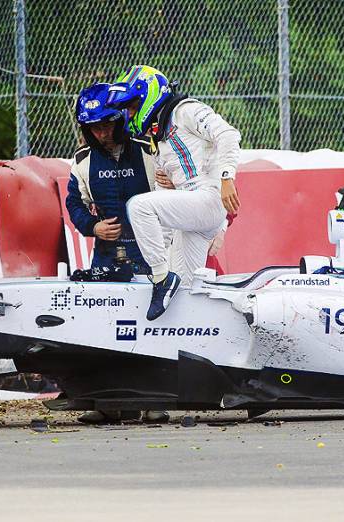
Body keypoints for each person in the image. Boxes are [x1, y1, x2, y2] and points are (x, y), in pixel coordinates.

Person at [66, 83, 168, 425]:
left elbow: (172, 194)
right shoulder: (81, 161)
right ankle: (107, 404)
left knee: (156, 324)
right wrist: (92, 228)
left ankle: (155, 401)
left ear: (120, 120)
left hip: (150, 251)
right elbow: (73, 204)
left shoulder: (148, 150)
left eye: (107, 124)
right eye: (94, 127)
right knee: (103, 324)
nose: (102, 132)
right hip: (107, 254)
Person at [105, 65, 241, 320]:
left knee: (139, 206)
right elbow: (163, 196)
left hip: (208, 199)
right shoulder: (156, 137)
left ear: (148, 96)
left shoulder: (185, 110)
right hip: (192, 217)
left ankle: (160, 278)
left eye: (132, 106)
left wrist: (226, 177)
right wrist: (164, 247)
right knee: (184, 295)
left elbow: (228, 134)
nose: (129, 114)